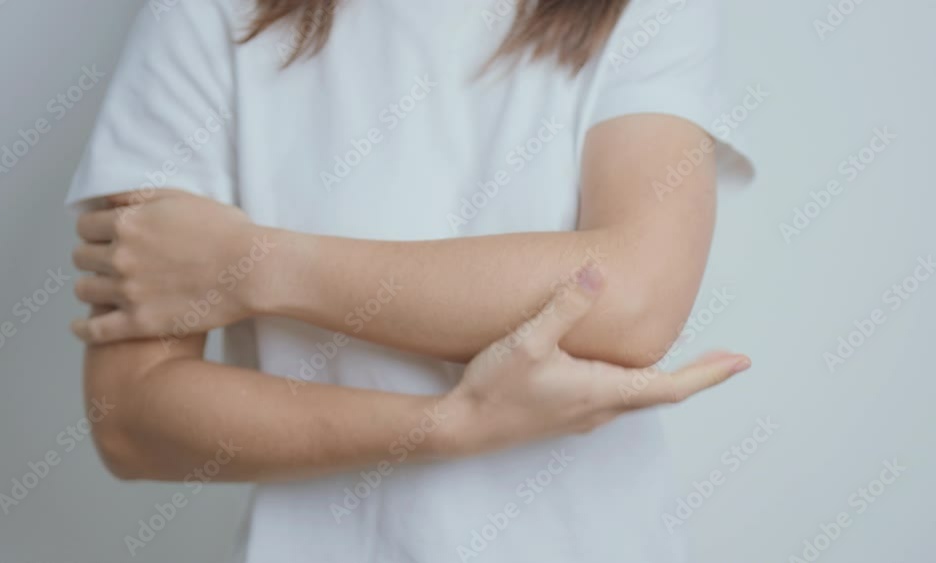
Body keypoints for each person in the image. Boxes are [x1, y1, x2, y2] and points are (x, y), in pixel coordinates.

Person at [65, 0, 755, 561]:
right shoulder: (203, 11)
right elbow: (130, 415)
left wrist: (255, 266)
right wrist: (447, 426)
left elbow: (633, 301)